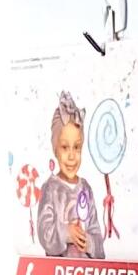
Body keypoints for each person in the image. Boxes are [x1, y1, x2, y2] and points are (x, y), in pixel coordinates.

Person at [36, 93, 103, 259]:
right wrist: (67, 233)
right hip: (58, 272)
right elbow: (45, 233)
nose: (72, 156)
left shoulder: (85, 189)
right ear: (55, 150)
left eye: (77, 147)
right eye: (65, 147)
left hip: (85, 272)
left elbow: (97, 236)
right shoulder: (50, 189)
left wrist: (89, 242)